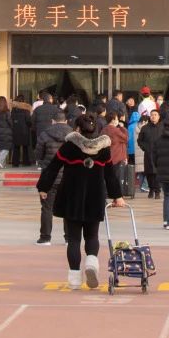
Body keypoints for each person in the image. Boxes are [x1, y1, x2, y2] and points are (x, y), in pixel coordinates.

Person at [36, 112, 125, 290]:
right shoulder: (103, 148)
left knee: (74, 238)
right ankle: (91, 262)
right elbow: (110, 175)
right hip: (95, 195)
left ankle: (75, 278)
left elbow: (53, 167)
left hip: (72, 196)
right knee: (92, 235)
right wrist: (117, 196)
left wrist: (43, 187)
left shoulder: (69, 146)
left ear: (77, 128)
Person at [35, 110, 70, 246]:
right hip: (68, 177)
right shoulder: (73, 135)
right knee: (68, 208)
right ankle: (69, 238)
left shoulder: (45, 134)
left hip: (49, 177)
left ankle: (45, 238)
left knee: (46, 208)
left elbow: (38, 155)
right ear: (66, 121)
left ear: (53, 121)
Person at [138, 109, 164, 198]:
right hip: (148, 153)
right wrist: (144, 148)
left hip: (159, 154)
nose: (153, 116)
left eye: (155, 115)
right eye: (152, 115)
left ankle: (157, 191)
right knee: (149, 173)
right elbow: (140, 140)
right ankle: (151, 189)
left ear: (159, 117)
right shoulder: (145, 128)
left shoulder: (162, 127)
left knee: (158, 173)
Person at [10, 98, 33, 166]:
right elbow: (28, 120)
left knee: (16, 147)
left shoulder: (13, 110)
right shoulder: (26, 110)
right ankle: (25, 162)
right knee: (25, 147)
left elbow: (11, 119)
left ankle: (15, 163)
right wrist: (30, 125)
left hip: (16, 131)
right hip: (24, 131)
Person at [0, 96, 13, 169]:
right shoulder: (7, 111)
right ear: (5, 102)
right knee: (6, 148)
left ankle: (0, 164)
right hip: (6, 131)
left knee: (1, 148)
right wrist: (12, 126)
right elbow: (10, 121)